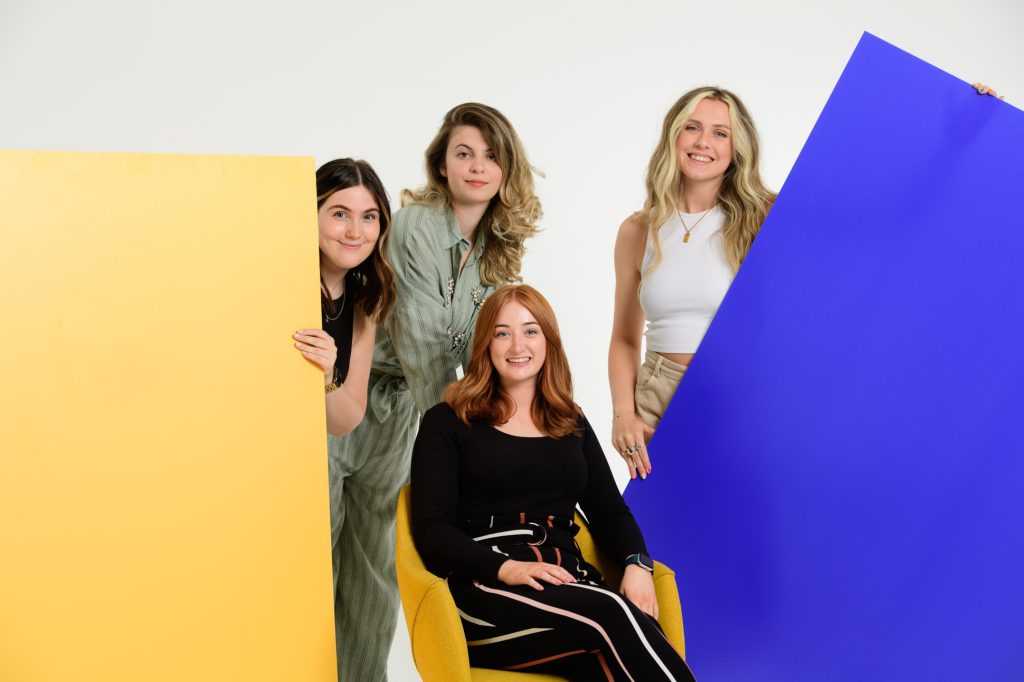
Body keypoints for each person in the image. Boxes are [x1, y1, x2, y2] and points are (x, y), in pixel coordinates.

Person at [608, 83, 1003, 481]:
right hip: (659, 403)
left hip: (744, 398)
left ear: (736, 149)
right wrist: (623, 413)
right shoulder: (639, 230)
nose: (703, 142)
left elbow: (879, 213)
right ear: (673, 135)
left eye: (720, 132)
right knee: (656, 536)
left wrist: (955, 138)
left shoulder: (765, 216)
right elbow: (625, 338)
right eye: (692, 127)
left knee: (745, 527)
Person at [330, 103, 542, 681]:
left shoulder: (498, 247)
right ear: (441, 165)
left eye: (491, 156)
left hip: (406, 415)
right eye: (464, 153)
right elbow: (426, 353)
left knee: (374, 568)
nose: (478, 166)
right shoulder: (418, 227)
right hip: (347, 389)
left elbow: (491, 355)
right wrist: (469, 456)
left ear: (506, 169)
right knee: (313, 555)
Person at [411, 285, 696, 681]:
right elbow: (431, 530)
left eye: (530, 331)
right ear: (485, 345)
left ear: (548, 341)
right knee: (613, 615)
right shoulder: (448, 420)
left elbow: (609, 509)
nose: (517, 345)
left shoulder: (571, 422)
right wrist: (507, 568)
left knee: (607, 662)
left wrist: (636, 562)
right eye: (501, 332)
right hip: (487, 591)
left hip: (568, 583)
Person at [293, 158, 395, 437]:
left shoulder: (364, 302)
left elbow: (345, 422)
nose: (355, 231)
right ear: (310, 213)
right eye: (340, 214)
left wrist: (327, 378)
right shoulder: (281, 283)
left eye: (368, 216)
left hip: (298, 453)